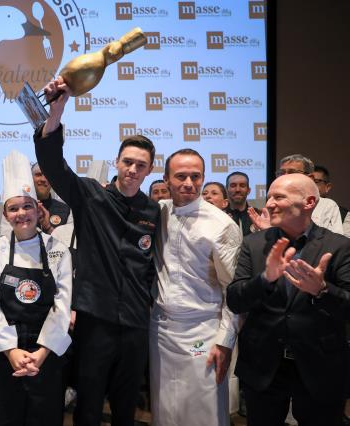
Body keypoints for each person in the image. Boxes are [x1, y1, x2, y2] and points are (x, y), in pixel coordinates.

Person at [35, 77, 159, 425]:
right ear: (117, 162)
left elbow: (153, 265)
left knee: (126, 405)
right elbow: (52, 163)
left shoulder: (153, 211)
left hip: (135, 322)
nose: (133, 170)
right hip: (95, 320)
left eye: (141, 165)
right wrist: (57, 111)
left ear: (150, 170)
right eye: (128, 162)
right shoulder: (91, 195)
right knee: (89, 404)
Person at [226, 173, 350, 426]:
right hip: (263, 366)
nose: (269, 203)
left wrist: (322, 290)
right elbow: (235, 301)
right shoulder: (254, 243)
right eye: (269, 196)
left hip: (320, 366)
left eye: (278, 197)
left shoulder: (339, 246)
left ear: (309, 202)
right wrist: (265, 279)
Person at [0, 150, 72, 426]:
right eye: (13, 208)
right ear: (6, 215)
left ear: (37, 208)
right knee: (2, 415)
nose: (21, 214)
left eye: (27, 206)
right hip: (5, 349)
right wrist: (11, 351)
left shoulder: (57, 248)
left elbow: (62, 305)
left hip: (46, 348)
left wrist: (41, 353)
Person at [150, 149, 242, 426]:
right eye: (180, 176)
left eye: (196, 176)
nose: (189, 183)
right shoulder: (157, 213)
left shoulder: (221, 224)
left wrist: (225, 342)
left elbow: (233, 293)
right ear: (166, 178)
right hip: (161, 331)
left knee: (206, 412)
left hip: (204, 330)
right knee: (164, 410)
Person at [250, 154, 344, 234]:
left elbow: (336, 241)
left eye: (292, 172)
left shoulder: (327, 205)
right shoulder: (273, 203)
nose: (285, 176)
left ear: (310, 177)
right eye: (281, 173)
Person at [0, 163, 73, 237]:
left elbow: (67, 244)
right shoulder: (14, 209)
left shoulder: (65, 210)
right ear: (30, 179)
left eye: (47, 175)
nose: (43, 179)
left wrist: (48, 228)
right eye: (38, 175)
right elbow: (6, 239)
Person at [225, 172, 258, 236]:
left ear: (248, 190)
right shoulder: (220, 215)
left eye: (242, 186)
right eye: (233, 186)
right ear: (226, 189)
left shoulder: (258, 215)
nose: (238, 190)